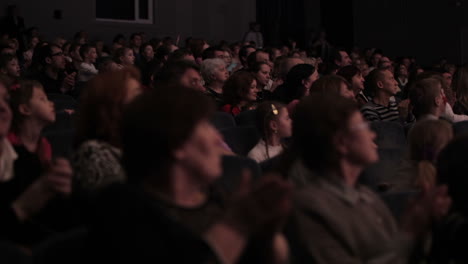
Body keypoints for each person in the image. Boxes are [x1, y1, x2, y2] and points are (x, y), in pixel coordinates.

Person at [85, 85, 292, 263]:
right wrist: (237, 226)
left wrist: (267, 230)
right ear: (177, 143)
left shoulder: (217, 194)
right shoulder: (123, 211)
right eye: (205, 127)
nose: (217, 137)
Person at [283, 95, 450, 263]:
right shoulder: (309, 209)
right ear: (341, 142)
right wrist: (410, 231)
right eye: (363, 126)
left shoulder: (366, 196)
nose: (372, 134)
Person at [0, 76, 72, 247]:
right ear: (24, 109)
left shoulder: (28, 154)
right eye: (42, 99)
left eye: (5, 100)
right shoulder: (17, 155)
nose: (3, 107)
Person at [73, 67, 143, 190]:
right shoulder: (93, 153)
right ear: (114, 103)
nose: (144, 99)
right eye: (136, 93)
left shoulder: (134, 141)